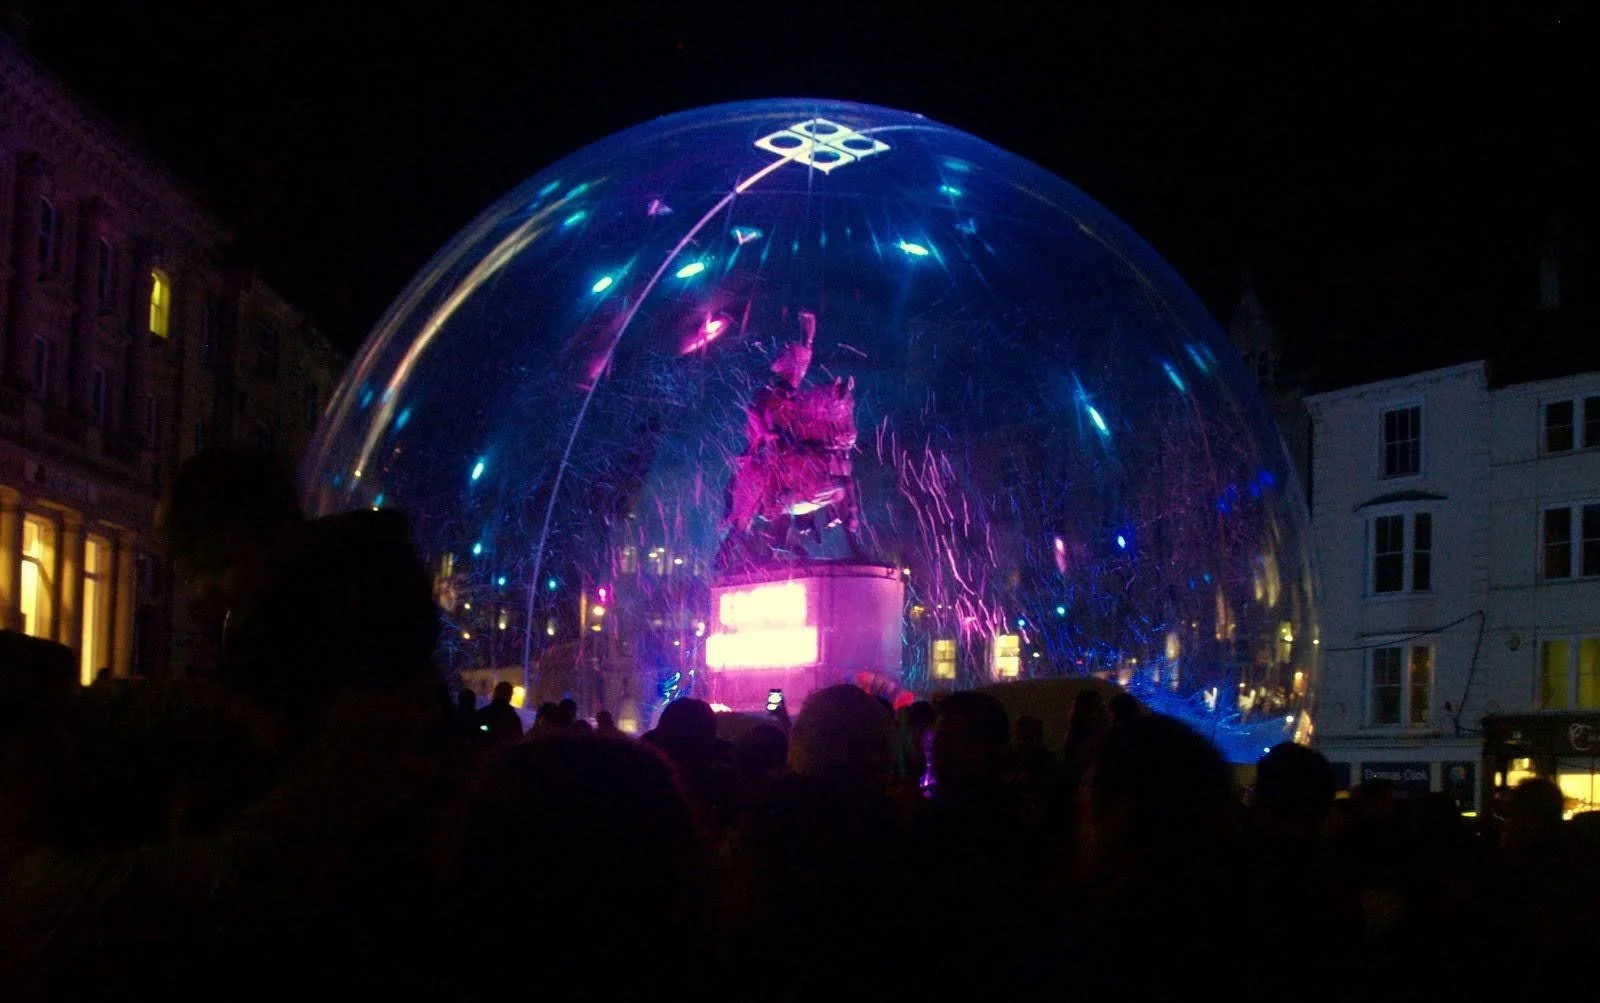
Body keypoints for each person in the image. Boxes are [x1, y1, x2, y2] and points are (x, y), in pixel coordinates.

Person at [156, 447, 440, 754]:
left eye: (215, 567)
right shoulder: (276, 615)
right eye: (192, 574)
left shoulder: (306, 624)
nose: (202, 591)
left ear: (259, 539)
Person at [475, 681, 523, 746]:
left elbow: (479, 728)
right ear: (510, 696)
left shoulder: (483, 713)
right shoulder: (512, 717)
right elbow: (518, 739)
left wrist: (487, 729)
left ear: (495, 693)